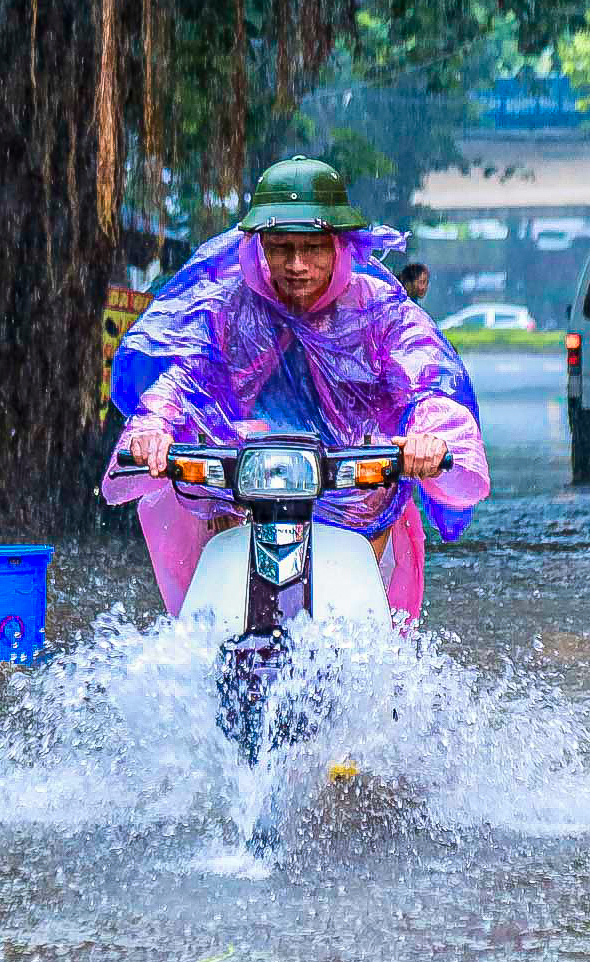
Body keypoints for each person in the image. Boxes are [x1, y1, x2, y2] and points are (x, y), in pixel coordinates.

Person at [105, 156, 488, 624]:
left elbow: (427, 376)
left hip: (355, 491)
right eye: (282, 248)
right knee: (210, 627)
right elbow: (183, 376)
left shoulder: (381, 310)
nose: (297, 265)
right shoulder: (229, 308)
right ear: (259, 247)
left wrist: (429, 436)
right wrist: (153, 428)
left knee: (364, 642)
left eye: (313, 248)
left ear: (340, 247)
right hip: (245, 494)